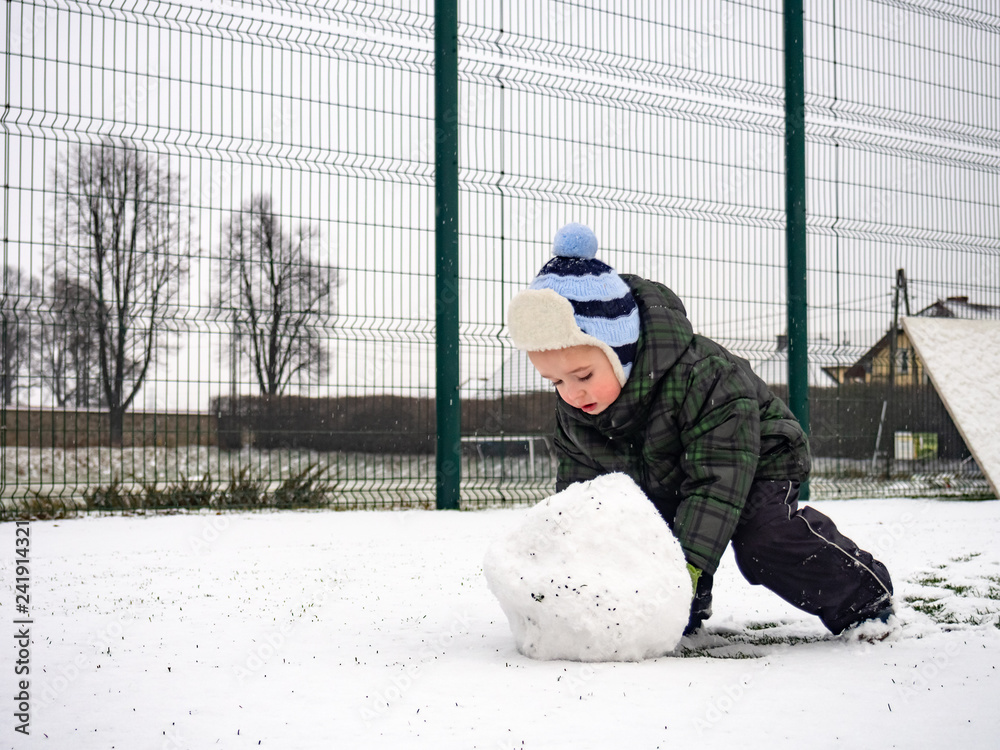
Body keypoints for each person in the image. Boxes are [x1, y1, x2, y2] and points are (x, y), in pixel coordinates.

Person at [507, 223, 894, 636]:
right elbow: (583, 500)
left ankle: (860, 596)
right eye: (556, 382)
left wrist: (687, 570)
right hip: (667, 472)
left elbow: (717, 480)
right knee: (635, 533)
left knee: (763, 541)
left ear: (619, 351)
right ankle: (680, 613)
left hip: (755, 460)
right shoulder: (579, 410)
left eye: (582, 374)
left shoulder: (703, 375)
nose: (572, 392)